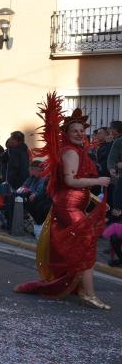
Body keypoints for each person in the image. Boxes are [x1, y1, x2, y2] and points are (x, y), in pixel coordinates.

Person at [15, 93, 111, 309]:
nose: (79, 134)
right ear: (66, 134)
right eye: (74, 131)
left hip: (73, 205)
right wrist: (98, 180)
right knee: (85, 245)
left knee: (79, 246)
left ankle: (80, 288)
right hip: (69, 206)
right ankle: (88, 293)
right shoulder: (71, 153)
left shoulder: (76, 151)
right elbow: (70, 180)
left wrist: (93, 196)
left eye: (81, 130)